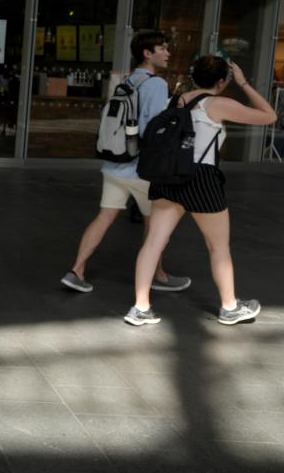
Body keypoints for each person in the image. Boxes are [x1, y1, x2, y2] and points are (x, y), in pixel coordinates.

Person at [125, 56, 276, 326]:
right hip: (201, 178)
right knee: (218, 246)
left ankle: (140, 307)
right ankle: (230, 307)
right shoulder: (218, 103)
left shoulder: (176, 100)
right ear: (221, 81)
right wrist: (243, 83)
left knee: (153, 243)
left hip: (168, 176)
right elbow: (269, 116)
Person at [60, 30, 189, 293]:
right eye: (163, 48)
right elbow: (154, 130)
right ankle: (158, 275)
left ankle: (77, 270)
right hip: (141, 170)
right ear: (147, 53)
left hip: (114, 164)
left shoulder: (127, 80)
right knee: (154, 224)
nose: (168, 53)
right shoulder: (155, 84)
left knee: (105, 216)